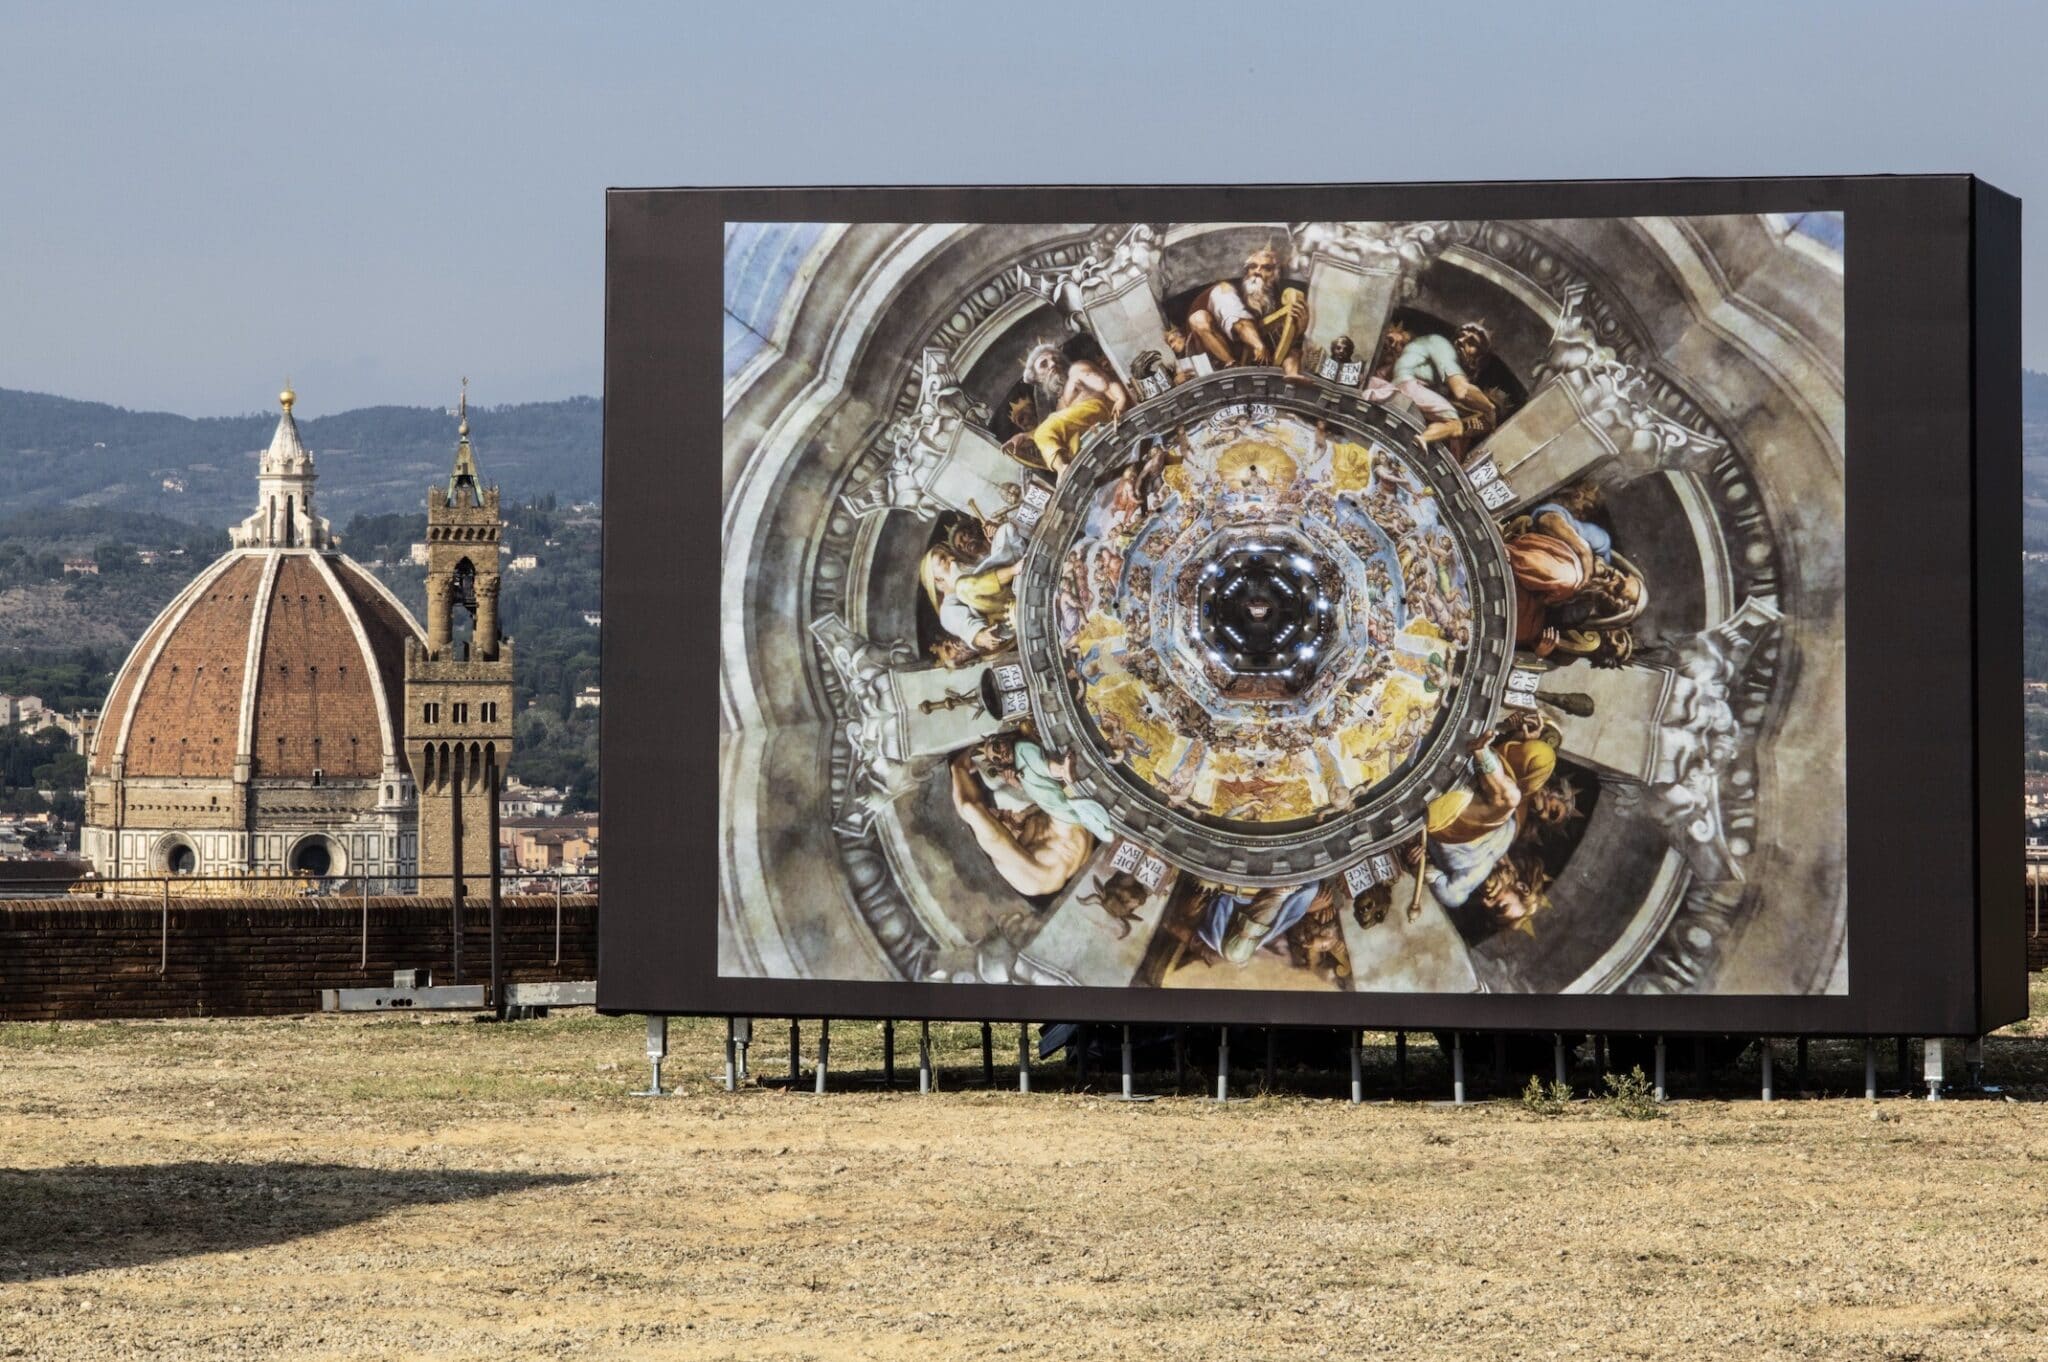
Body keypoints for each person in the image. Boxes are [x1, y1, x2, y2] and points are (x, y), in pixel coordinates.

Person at [948, 750, 1096, 898]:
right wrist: (958, 767)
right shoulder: (1031, 881)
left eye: (1001, 813)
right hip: (1082, 802)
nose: (1005, 811)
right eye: (1002, 817)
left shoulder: (1032, 835)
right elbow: (969, 808)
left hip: (1081, 803)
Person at [1002, 343, 1129, 478]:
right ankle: (1065, 466)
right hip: (1093, 433)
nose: (1052, 364)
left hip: (1102, 411)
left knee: (1046, 429)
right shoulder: (1059, 406)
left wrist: (1120, 399)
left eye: (1055, 359)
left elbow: (1107, 385)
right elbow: (1061, 425)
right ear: (1038, 378)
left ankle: (1062, 468)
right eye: (1044, 364)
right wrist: (1024, 436)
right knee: (1059, 438)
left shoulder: (1076, 370)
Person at [1182, 246, 1308, 377]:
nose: (1257, 272)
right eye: (1253, 266)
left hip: (1251, 366)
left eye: (1266, 268)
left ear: (1274, 275)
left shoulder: (1270, 302)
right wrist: (1258, 345)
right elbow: (1240, 323)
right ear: (1247, 271)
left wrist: (1297, 331)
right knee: (1198, 318)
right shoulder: (1225, 289)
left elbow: (1276, 349)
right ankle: (1232, 367)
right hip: (1209, 364)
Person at [1373, 319, 1497, 446]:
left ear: (1479, 357)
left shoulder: (1432, 349)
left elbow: (1385, 372)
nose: (1461, 341)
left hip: (1399, 387)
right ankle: (1423, 439)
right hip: (1409, 388)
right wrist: (1490, 409)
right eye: (1461, 336)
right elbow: (1462, 391)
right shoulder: (1443, 346)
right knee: (1455, 423)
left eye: (1471, 342)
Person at [920, 518, 1029, 655]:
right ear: (937, 579)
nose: (951, 559)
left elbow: (989, 566)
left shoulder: (966, 572)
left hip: (1012, 587)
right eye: (943, 560)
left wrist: (992, 539)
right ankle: (1017, 569)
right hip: (1006, 618)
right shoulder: (948, 609)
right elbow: (967, 628)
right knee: (962, 588)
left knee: (1005, 530)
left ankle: (1020, 564)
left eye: (948, 555)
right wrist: (979, 636)